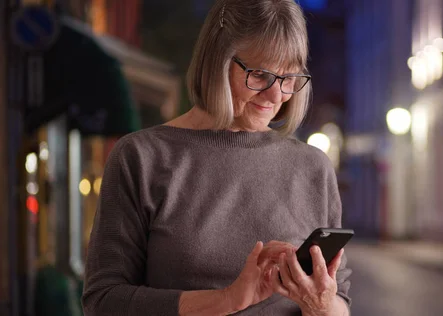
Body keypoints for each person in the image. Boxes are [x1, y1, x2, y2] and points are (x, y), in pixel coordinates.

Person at [81, 0, 351, 315]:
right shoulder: (140, 158)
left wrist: (319, 305)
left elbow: (340, 302)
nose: (277, 96)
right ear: (217, 62)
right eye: (260, 75)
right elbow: (103, 302)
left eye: (289, 78)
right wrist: (225, 300)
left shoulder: (313, 167)